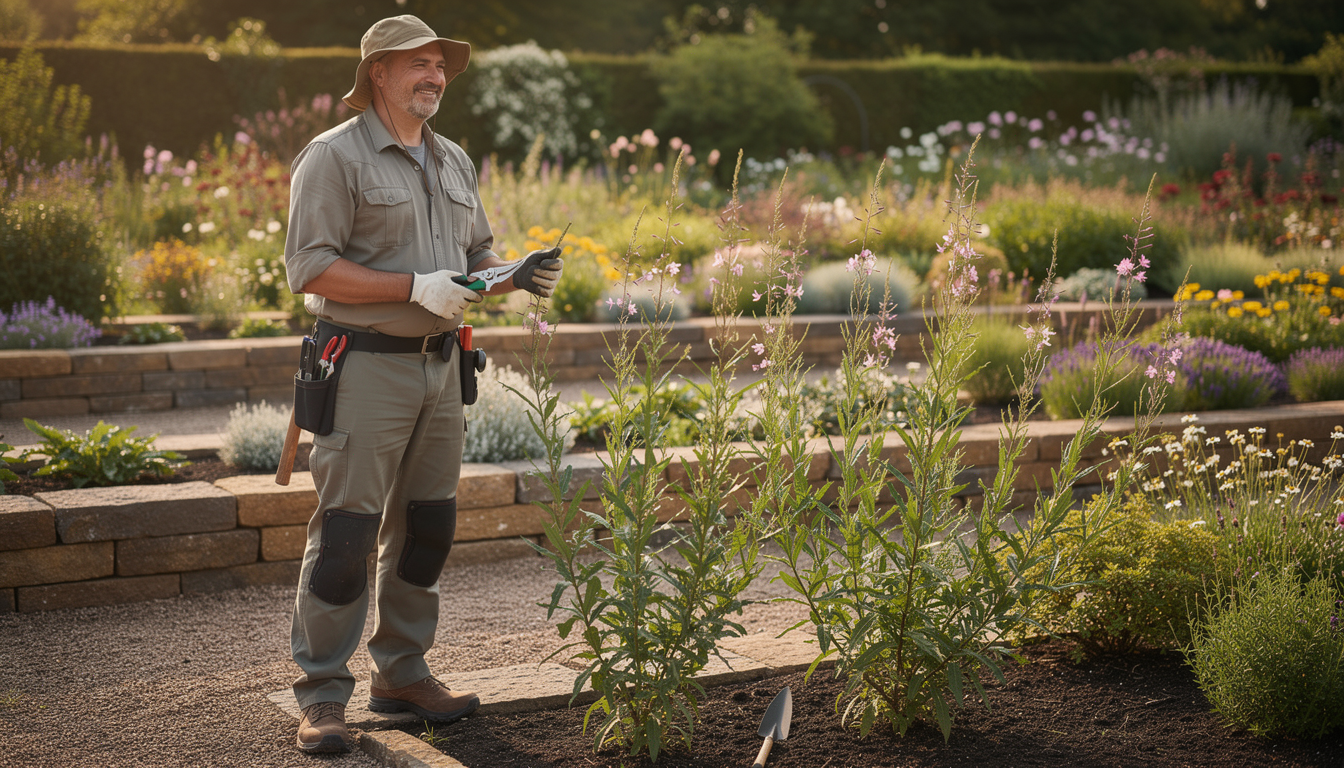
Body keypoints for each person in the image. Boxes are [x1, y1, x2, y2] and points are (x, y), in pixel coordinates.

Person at [281, 14, 563, 754]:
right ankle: (321, 694)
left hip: (442, 369)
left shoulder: (454, 160)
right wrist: (414, 285)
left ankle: (401, 672)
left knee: (428, 529)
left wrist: (513, 275)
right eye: (420, 64)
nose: (435, 75)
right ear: (379, 72)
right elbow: (309, 268)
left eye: (442, 64)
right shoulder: (333, 158)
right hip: (364, 366)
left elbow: (474, 259)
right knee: (345, 534)